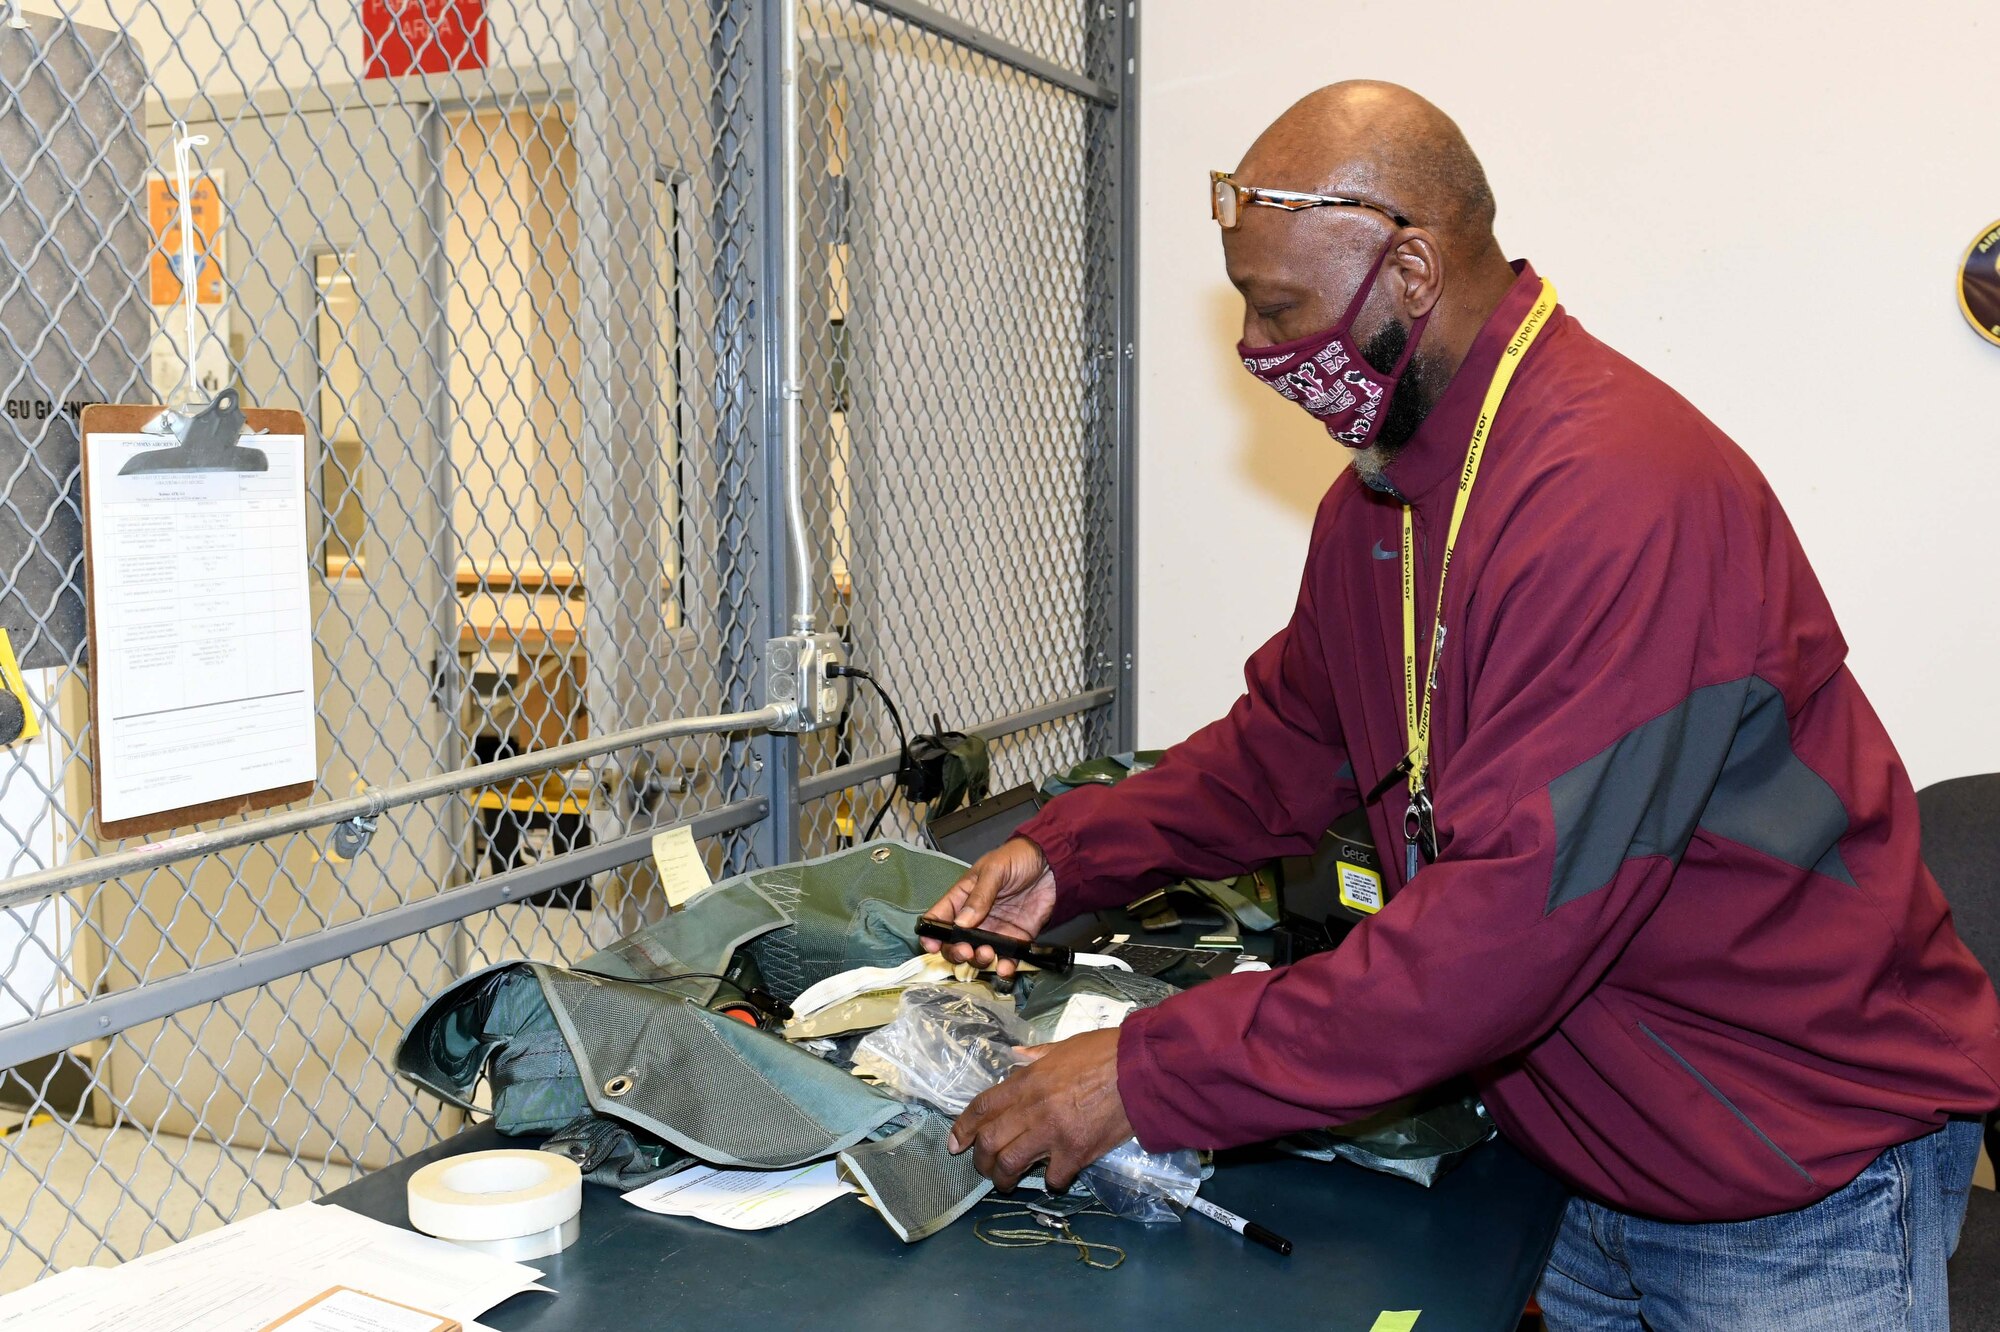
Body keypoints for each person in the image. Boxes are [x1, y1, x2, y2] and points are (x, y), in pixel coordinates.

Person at [924, 81, 2000, 1330]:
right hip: (1583, 1157)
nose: (1257, 352)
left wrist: (1145, 1073)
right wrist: (1072, 855)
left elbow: (1504, 930)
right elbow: (1288, 746)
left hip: (1781, 1184)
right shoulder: (1384, 502)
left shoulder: (1619, 499)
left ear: (1413, 267)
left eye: (1278, 310)